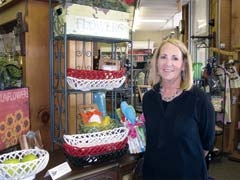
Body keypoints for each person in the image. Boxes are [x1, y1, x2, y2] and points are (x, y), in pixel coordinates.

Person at [142, 38, 215, 180]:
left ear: (183, 65)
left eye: (175, 58)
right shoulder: (149, 99)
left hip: (188, 174)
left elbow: (207, 143)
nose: (168, 63)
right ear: (156, 62)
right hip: (153, 173)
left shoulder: (199, 99)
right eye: (163, 57)